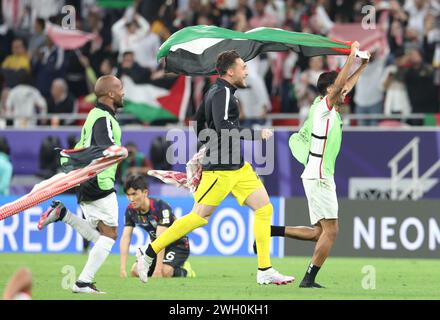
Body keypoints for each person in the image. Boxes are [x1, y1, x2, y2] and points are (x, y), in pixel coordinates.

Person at [136, 50, 294, 285]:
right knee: (199, 217)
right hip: (220, 169)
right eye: (243, 67)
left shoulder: (216, 91)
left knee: (264, 208)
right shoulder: (223, 94)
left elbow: (198, 122)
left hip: (238, 167)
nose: (247, 71)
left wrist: (209, 143)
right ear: (230, 71)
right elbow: (223, 127)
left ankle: (265, 269)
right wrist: (255, 134)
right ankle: (149, 254)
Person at [285, 42, 369, 288]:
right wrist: (350, 58)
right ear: (330, 90)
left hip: (318, 174)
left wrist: (361, 65)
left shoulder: (323, 108)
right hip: (320, 176)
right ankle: (309, 279)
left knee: (318, 232)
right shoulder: (323, 107)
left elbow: (346, 84)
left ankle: (271, 231)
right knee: (331, 232)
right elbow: (341, 85)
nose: (345, 94)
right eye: (339, 90)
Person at [37, 75, 125, 294]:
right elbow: (105, 147)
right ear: (111, 94)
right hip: (98, 180)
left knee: (102, 236)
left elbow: (83, 146)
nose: (123, 92)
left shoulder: (94, 116)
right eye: (120, 89)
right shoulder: (103, 117)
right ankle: (83, 282)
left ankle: (63, 214)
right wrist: (119, 151)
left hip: (88, 180)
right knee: (109, 236)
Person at [120, 174, 195, 279]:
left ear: (145, 192)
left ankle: (186, 270)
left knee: (164, 272)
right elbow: (125, 238)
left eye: (134, 194)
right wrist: (122, 269)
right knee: (136, 271)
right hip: (156, 247)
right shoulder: (130, 210)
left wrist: (158, 270)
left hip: (178, 246)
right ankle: (163, 267)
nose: (131, 199)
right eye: (128, 195)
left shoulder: (160, 207)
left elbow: (161, 238)